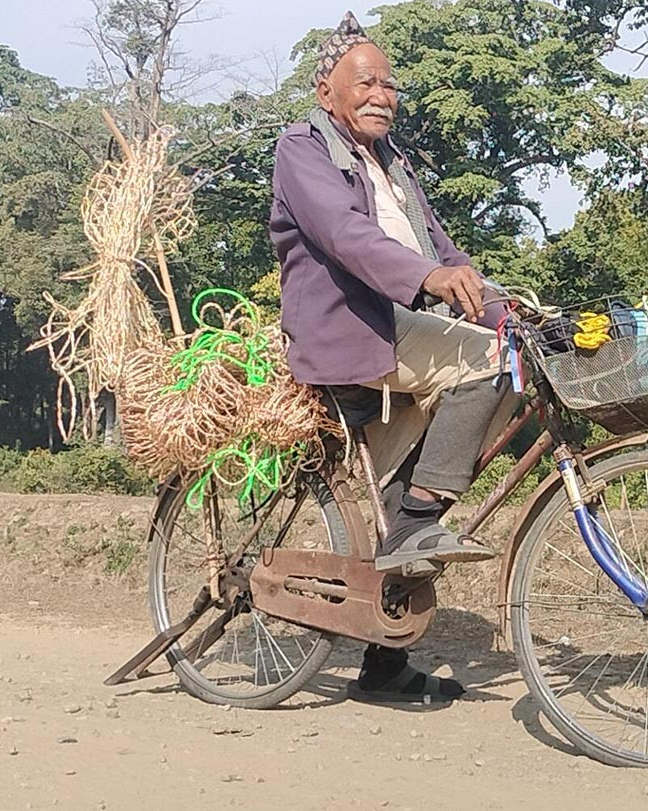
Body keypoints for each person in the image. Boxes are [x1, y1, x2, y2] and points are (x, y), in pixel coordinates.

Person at [268, 12, 513, 706]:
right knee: (494, 363)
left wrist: (503, 304)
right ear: (327, 93)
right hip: (350, 332)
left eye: (389, 83)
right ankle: (418, 518)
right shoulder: (302, 149)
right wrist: (433, 283)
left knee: (514, 349)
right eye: (365, 82)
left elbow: (444, 252)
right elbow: (346, 236)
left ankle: (382, 664)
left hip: (402, 331)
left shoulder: (394, 162)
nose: (382, 93)